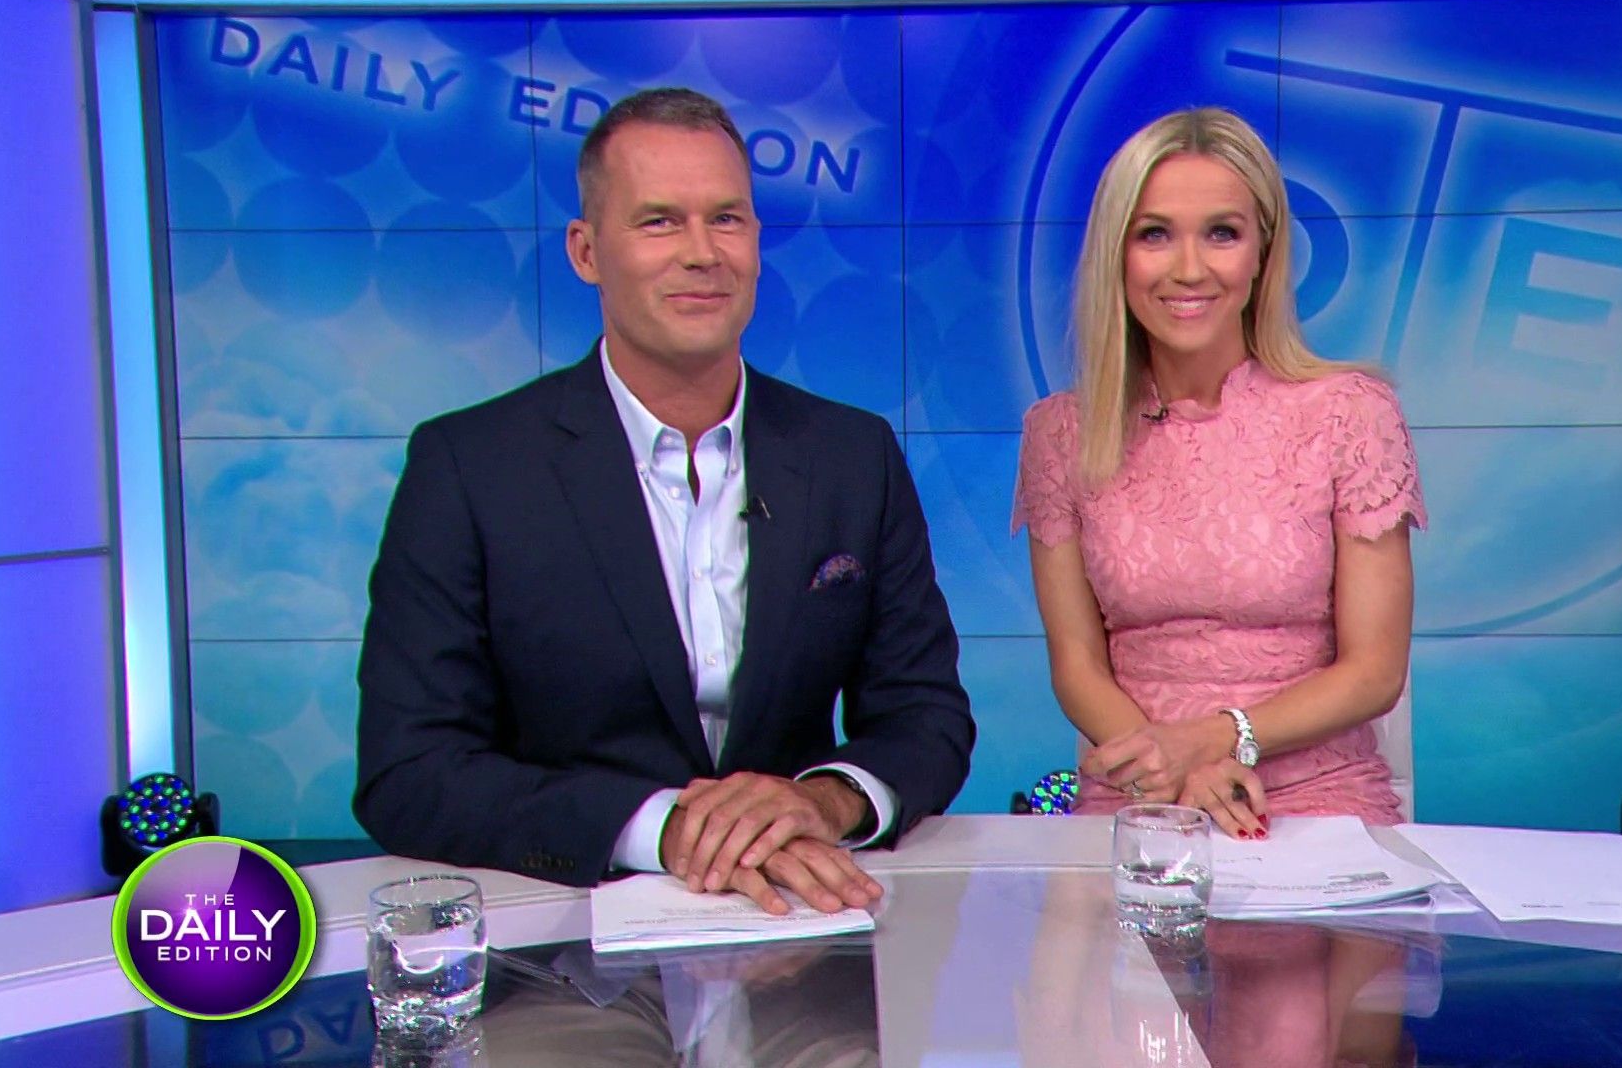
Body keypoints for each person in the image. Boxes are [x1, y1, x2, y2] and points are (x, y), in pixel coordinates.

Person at [355, 87, 975, 914]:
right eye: (659, 222)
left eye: (727, 219)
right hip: (564, 931)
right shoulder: (469, 466)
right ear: (586, 251)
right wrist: (663, 828)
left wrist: (825, 802)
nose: (702, 253)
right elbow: (409, 771)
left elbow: (926, 716)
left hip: (800, 917)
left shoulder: (852, 455)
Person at [1012, 107, 1426, 836]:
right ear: (1116, 253)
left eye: (1222, 234)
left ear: (1263, 250)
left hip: (1314, 803)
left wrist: (1215, 740)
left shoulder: (1350, 414)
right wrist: (1172, 770)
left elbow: (1375, 672)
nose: (1189, 268)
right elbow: (1077, 666)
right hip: (1139, 798)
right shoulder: (1061, 433)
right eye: (1154, 234)